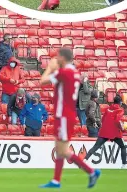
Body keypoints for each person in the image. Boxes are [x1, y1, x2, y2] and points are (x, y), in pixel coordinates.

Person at [39, 48, 100, 189]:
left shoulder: (65, 72)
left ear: (63, 58)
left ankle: (91, 172)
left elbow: (42, 81)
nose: (56, 59)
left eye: (57, 57)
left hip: (64, 115)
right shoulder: (74, 72)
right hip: (66, 114)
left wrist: (50, 67)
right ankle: (56, 180)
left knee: (63, 150)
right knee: (59, 148)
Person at [84, 96, 127, 169]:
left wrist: (103, 127)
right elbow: (117, 120)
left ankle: (85, 160)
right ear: (120, 102)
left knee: (96, 146)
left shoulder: (108, 109)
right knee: (122, 147)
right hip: (114, 133)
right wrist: (122, 128)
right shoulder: (120, 110)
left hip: (104, 131)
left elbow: (103, 119)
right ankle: (124, 165)